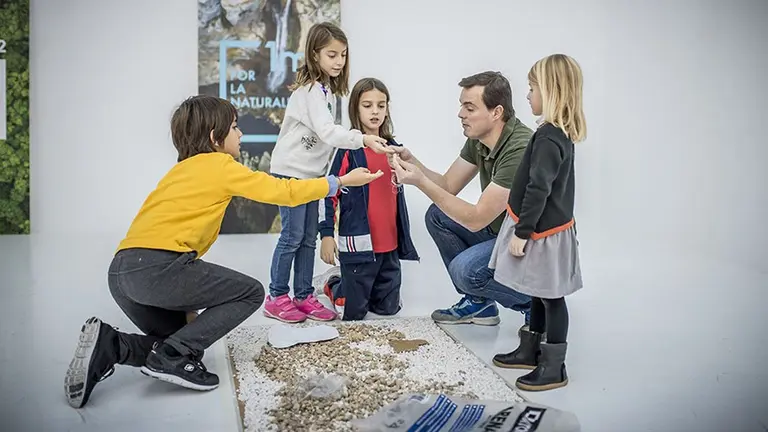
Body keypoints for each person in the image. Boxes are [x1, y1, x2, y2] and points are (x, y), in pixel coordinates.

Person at [63, 95, 383, 409]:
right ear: (216, 137)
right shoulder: (220, 165)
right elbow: (282, 191)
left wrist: (187, 312)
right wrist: (339, 180)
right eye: (235, 127)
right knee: (250, 292)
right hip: (157, 269)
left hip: (122, 273)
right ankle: (171, 356)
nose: (240, 134)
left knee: (182, 341)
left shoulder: (179, 170)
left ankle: (113, 345)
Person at [265, 22, 394, 323]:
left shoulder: (328, 93)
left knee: (308, 238)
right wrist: (362, 138)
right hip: (290, 173)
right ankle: (276, 296)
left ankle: (303, 295)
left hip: (311, 176)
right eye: (332, 55)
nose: (339, 62)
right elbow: (327, 133)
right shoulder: (310, 90)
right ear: (315, 54)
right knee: (292, 236)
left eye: (343, 55)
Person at [387, 71, 533, 329]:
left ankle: (537, 304)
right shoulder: (480, 139)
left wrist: (420, 181)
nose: (460, 114)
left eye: (470, 107)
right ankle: (480, 304)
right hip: (500, 233)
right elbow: (447, 185)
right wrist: (412, 162)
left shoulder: (519, 148)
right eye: (461, 106)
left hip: (528, 245)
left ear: (496, 112)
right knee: (438, 215)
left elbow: (477, 220)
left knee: (466, 271)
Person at [487, 54, 587, 391]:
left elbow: (538, 187)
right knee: (538, 291)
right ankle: (530, 349)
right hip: (547, 229)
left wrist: (522, 231)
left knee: (552, 297)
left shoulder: (548, 137)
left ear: (551, 91)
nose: (528, 95)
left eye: (533, 88)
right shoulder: (555, 133)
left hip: (542, 231)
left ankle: (554, 366)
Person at [314, 77, 419, 320]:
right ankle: (334, 282)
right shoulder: (348, 150)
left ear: (387, 109)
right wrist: (326, 234)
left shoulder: (394, 149)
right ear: (356, 109)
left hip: (389, 247)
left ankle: (362, 288)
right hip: (358, 246)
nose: (375, 111)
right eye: (367, 105)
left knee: (388, 309)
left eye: (381, 105)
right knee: (353, 314)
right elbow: (327, 192)